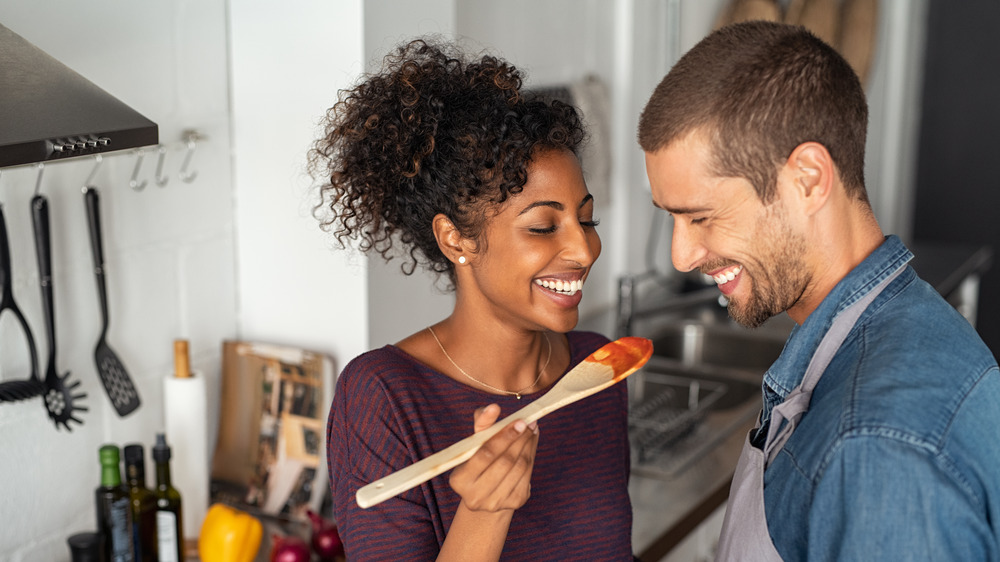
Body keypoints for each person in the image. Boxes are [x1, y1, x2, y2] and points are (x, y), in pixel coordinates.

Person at [638, 21, 1000, 561]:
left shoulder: (877, 450)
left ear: (808, 178)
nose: (681, 256)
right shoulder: (902, 321)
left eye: (701, 216)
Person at [311, 39, 633, 560]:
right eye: (544, 226)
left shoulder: (597, 371)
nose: (585, 248)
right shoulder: (383, 398)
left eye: (586, 218)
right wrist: (485, 513)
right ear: (455, 239)